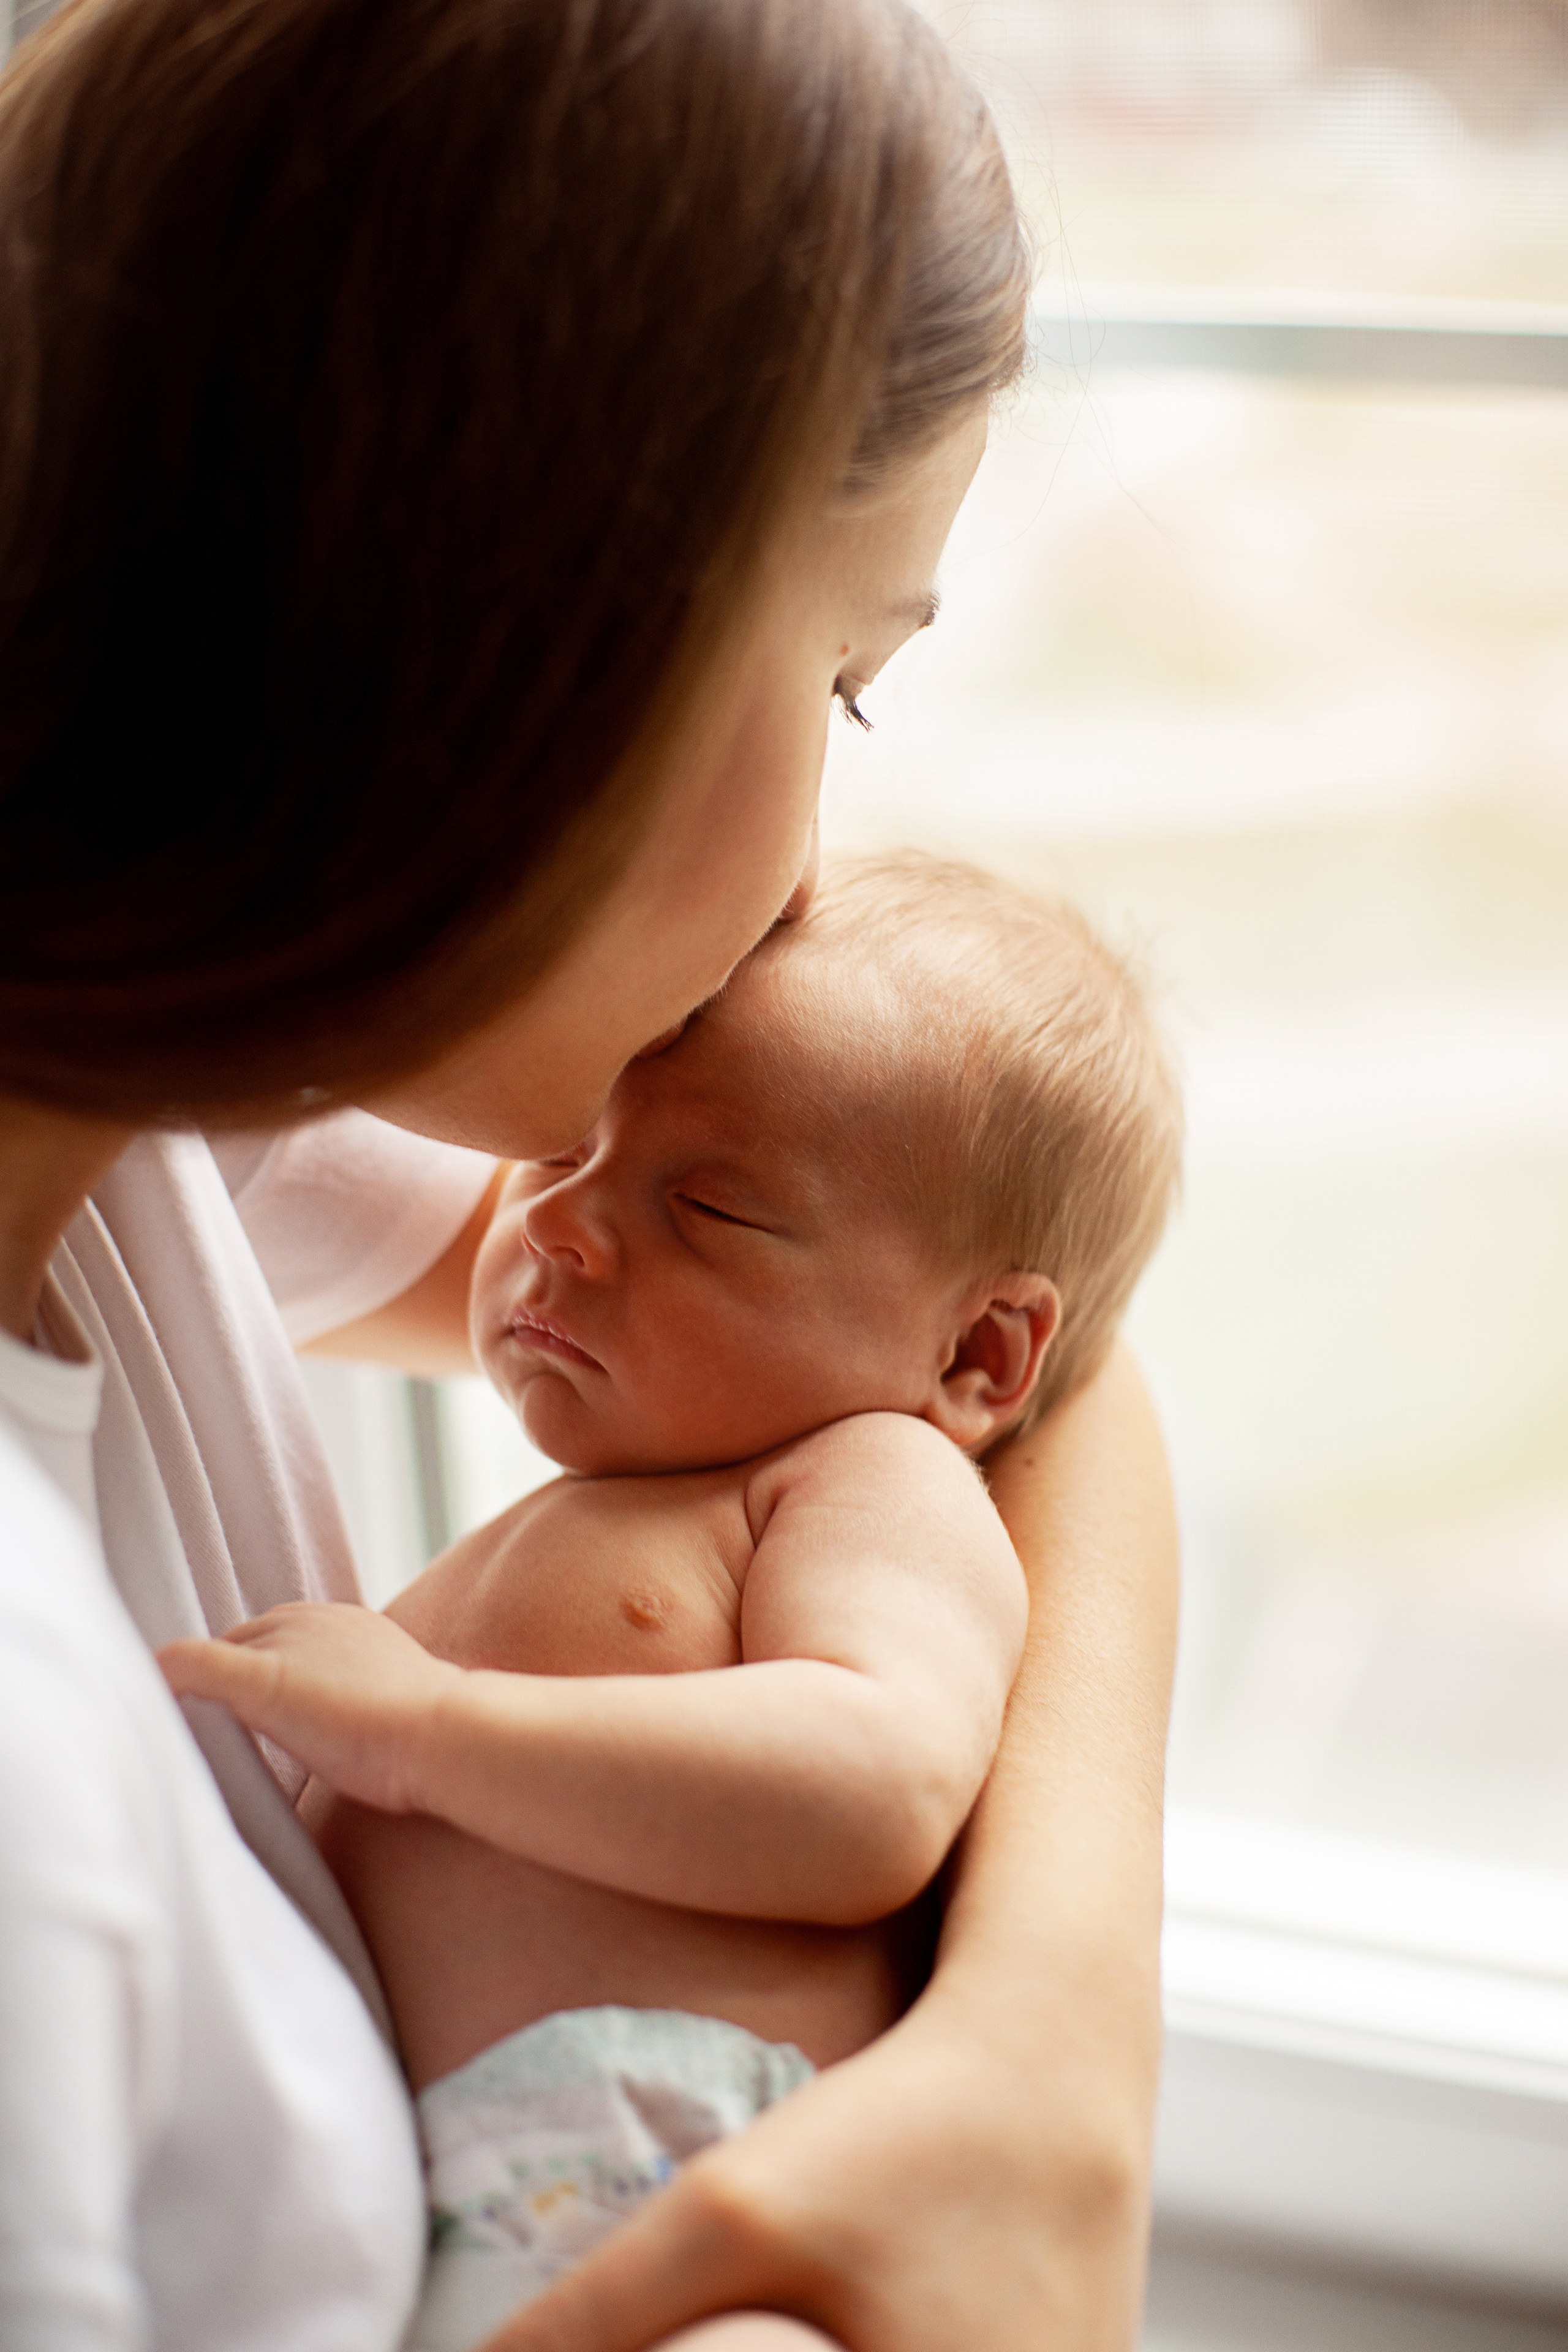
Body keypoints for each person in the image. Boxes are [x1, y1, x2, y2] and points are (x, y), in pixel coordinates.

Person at [0, 4, 1178, 2350]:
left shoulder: (150, 1120)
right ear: (520, 631)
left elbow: (1013, 1367)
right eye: (840, 683)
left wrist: (1044, 2058)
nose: (806, 881)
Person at [161, 851, 1184, 2352]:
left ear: (979, 1357)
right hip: (442, 2214)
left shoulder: (865, 1483)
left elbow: (876, 1782)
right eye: (564, 1150)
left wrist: (433, 1728)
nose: (564, 1225)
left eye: (707, 1206)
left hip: (682, 2166)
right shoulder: (617, 1503)